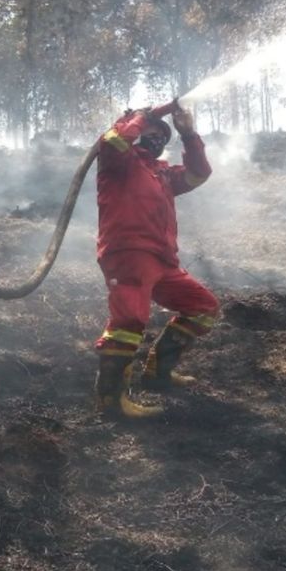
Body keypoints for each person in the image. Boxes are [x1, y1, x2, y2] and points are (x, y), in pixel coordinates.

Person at [93, 103, 219, 417]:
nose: (158, 138)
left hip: (163, 261)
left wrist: (188, 134)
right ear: (136, 129)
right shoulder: (117, 160)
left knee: (203, 308)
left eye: (164, 135)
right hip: (129, 254)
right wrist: (141, 115)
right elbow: (113, 140)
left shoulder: (160, 172)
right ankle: (110, 400)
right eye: (152, 131)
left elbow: (199, 174)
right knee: (129, 322)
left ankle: (158, 371)